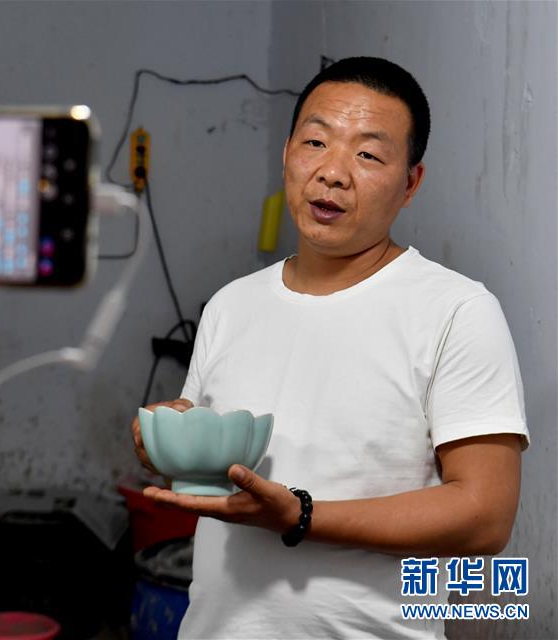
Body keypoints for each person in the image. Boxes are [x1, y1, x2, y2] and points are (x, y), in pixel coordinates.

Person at [130, 57, 529, 639]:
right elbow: (207, 457)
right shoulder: (230, 305)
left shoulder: (457, 312)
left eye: (368, 154)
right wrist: (167, 435)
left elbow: (486, 516)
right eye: (315, 142)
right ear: (287, 152)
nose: (333, 173)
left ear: (411, 183)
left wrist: (300, 515)